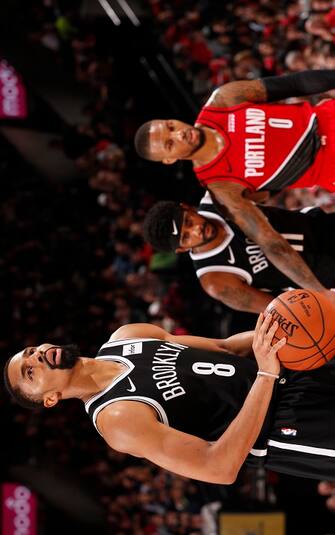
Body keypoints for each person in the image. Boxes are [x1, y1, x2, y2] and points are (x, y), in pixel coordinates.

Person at [4, 313, 335, 483]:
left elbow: (227, 347)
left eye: (31, 352)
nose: (35, 358)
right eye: (29, 372)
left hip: (293, 376)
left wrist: (288, 326)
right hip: (287, 429)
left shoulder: (126, 336)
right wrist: (265, 375)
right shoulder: (117, 419)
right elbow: (218, 467)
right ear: (51, 399)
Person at [134, 69, 335, 304]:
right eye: (170, 144)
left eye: (170, 126)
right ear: (169, 160)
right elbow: (271, 243)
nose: (179, 134)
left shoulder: (223, 100)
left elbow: (294, 83)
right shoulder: (221, 187)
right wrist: (320, 293)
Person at [143, 191, 335, 313]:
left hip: (318, 226)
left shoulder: (218, 198)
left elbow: (269, 189)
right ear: (182, 249)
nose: (196, 230)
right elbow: (278, 309)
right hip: (321, 278)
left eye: (189, 222)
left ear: (187, 207)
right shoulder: (215, 280)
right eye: (186, 237)